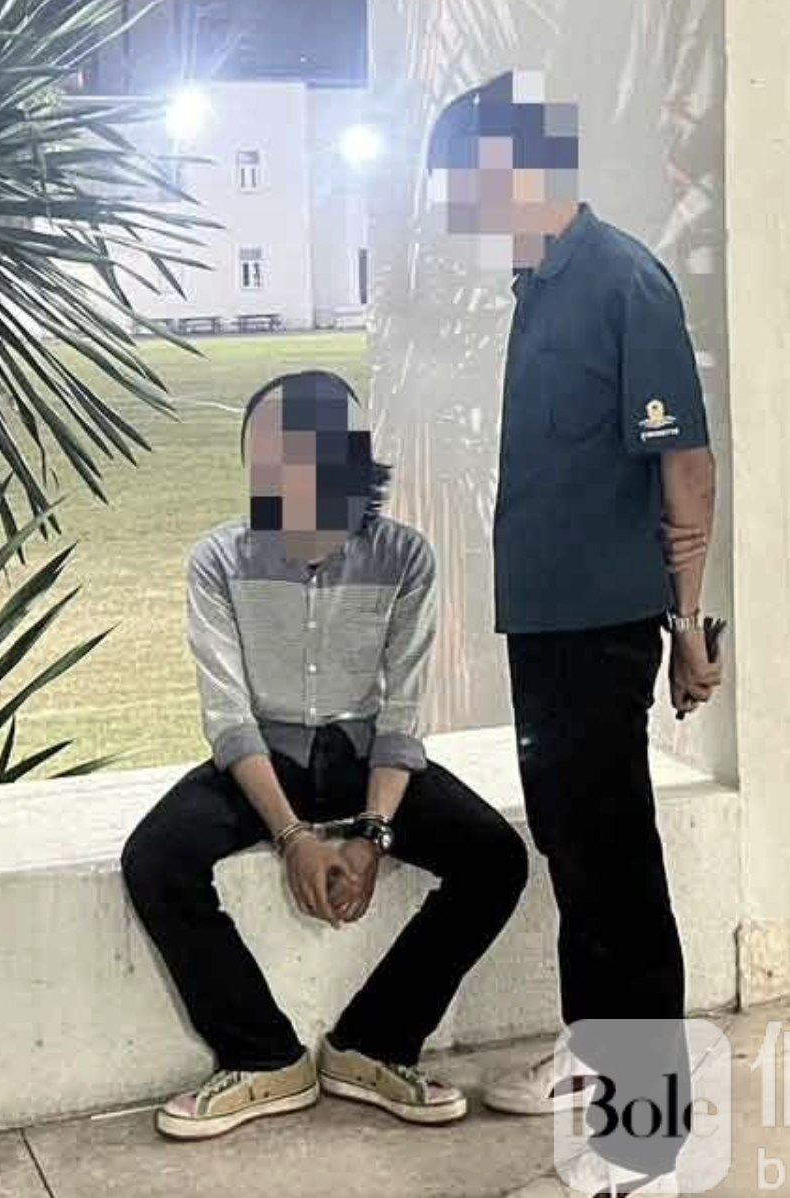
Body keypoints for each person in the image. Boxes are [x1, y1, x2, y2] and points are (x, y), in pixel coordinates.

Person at [424, 72, 722, 1194]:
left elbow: (686, 468)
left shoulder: (622, 281)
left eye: (463, 180)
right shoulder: (537, 284)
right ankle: (595, 1056)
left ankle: (644, 1138)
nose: (457, 204)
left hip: (602, 630)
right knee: (572, 846)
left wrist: (687, 627)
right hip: (543, 626)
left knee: (613, 864)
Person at [122, 370, 530, 1141]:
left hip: (364, 759)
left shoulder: (404, 558)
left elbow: (402, 714)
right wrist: (292, 838)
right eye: (267, 457)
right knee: (156, 857)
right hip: (261, 763)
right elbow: (228, 718)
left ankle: (373, 1045)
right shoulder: (219, 559)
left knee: (495, 859)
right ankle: (262, 1057)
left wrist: (372, 835)